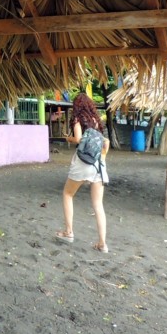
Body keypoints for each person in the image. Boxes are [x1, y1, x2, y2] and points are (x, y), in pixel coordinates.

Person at [56, 93, 110, 252]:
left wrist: (69, 139)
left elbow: (79, 139)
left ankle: (68, 232)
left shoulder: (78, 119)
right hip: (98, 164)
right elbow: (105, 143)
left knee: (67, 194)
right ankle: (102, 243)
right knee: (98, 204)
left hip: (83, 161)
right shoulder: (97, 121)